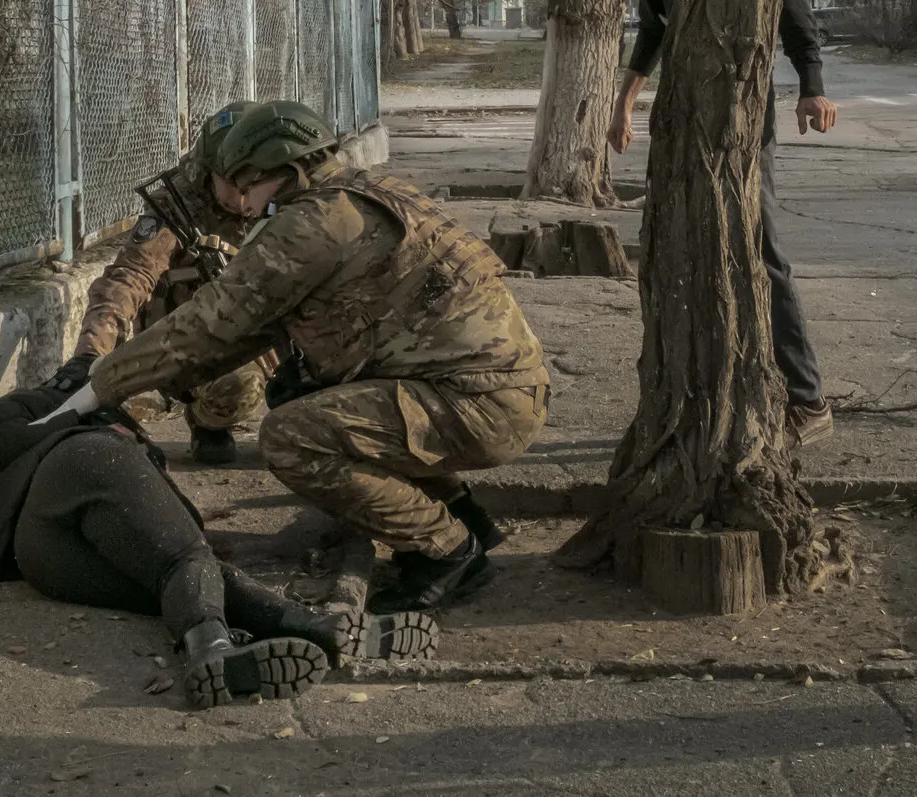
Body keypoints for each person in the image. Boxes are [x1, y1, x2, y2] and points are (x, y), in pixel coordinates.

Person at [33, 100, 547, 614]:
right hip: (494, 390)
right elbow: (239, 325)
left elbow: (208, 325)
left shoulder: (310, 224)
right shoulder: (365, 191)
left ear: (275, 172)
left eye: (245, 185)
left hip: (476, 404)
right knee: (319, 396)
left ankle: (447, 551)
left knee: (290, 438)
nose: (243, 202)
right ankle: (466, 517)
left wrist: (99, 384)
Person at [0, 353, 438, 708]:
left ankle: (295, 633)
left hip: (49, 564)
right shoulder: (44, 403)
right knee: (187, 561)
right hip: (63, 486)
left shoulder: (123, 423)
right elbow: (3, 443)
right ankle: (229, 643)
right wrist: (79, 400)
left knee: (190, 578)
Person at [607, 0, 841, 447]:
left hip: (741, 110)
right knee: (682, 243)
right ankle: (701, 395)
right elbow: (653, 27)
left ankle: (807, 400)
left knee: (758, 245)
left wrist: (812, 87)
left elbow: (793, 13)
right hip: (681, 108)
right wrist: (625, 100)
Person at [74, 100, 276, 465]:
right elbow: (128, 279)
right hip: (198, 338)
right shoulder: (178, 206)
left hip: (266, 327)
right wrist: (90, 355)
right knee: (237, 389)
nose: (244, 198)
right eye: (234, 184)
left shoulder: (285, 196)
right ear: (210, 172)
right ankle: (205, 421)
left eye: (255, 183)